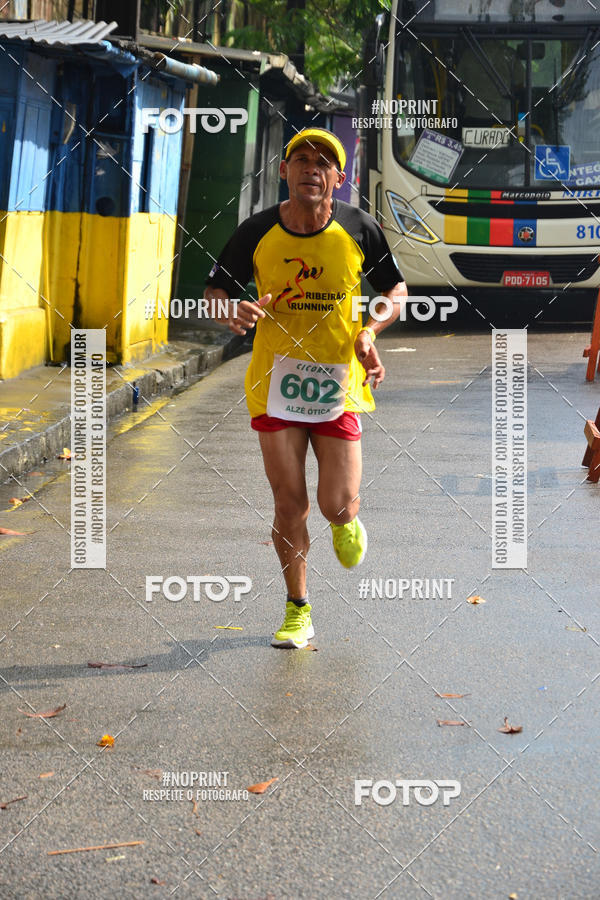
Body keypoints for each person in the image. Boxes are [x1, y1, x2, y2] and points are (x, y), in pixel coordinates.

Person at [205, 127, 407, 649]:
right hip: (275, 383)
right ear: (283, 171)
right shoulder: (256, 230)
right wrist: (231, 309)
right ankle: (298, 608)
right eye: (301, 160)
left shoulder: (360, 228)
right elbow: (215, 290)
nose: (311, 169)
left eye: (323, 162)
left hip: (337, 383)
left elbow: (395, 289)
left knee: (335, 504)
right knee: (288, 502)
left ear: (338, 179)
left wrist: (370, 329)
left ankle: (345, 521)